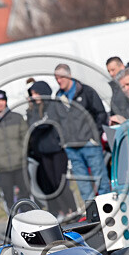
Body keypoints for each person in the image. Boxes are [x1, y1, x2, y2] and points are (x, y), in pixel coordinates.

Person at [50, 63, 110, 202]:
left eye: (61, 77)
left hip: (90, 144)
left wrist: (94, 135)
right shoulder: (58, 98)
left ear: (69, 75)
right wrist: (62, 140)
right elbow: (55, 121)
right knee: (83, 185)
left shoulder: (86, 92)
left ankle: (107, 209)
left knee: (100, 179)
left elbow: (100, 113)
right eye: (56, 78)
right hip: (71, 147)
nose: (59, 81)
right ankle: (92, 215)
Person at [26, 80, 77, 220]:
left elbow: (53, 123)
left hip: (57, 150)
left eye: (36, 93)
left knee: (59, 182)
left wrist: (62, 140)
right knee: (50, 184)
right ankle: (62, 211)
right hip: (43, 152)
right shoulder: (34, 110)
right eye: (32, 94)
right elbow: (32, 126)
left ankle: (72, 209)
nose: (34, 96)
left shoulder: (54, 105)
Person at [0, 89, 30, 210]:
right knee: (8, 197)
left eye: (2, 100)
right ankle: (14, 222)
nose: (0, 103)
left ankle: (29, 221)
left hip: (20, 164)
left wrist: (21, 154)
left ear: (6, 101)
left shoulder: (17, 118)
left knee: (26, 194)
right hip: (2, 168)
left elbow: (26, 138)